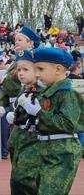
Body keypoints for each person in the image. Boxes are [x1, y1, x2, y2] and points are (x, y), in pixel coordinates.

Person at [21, 47, 83, 194]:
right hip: (47, 149)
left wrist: (39, 113)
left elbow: (67, 123)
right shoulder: (48, 93)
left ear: (58, 69)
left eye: (40, 69)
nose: (36, 74)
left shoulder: (68, 94)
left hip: (62, 151)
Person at [0, 26, 40, 159]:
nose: (16, 42)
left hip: (28, 103)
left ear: (30, 43)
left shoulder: (36, 60)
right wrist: (1, 103)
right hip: (14, 106)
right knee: (14, 145)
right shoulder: (14, 62)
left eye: (20, 40)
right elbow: (5, 86)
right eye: (15, 40)